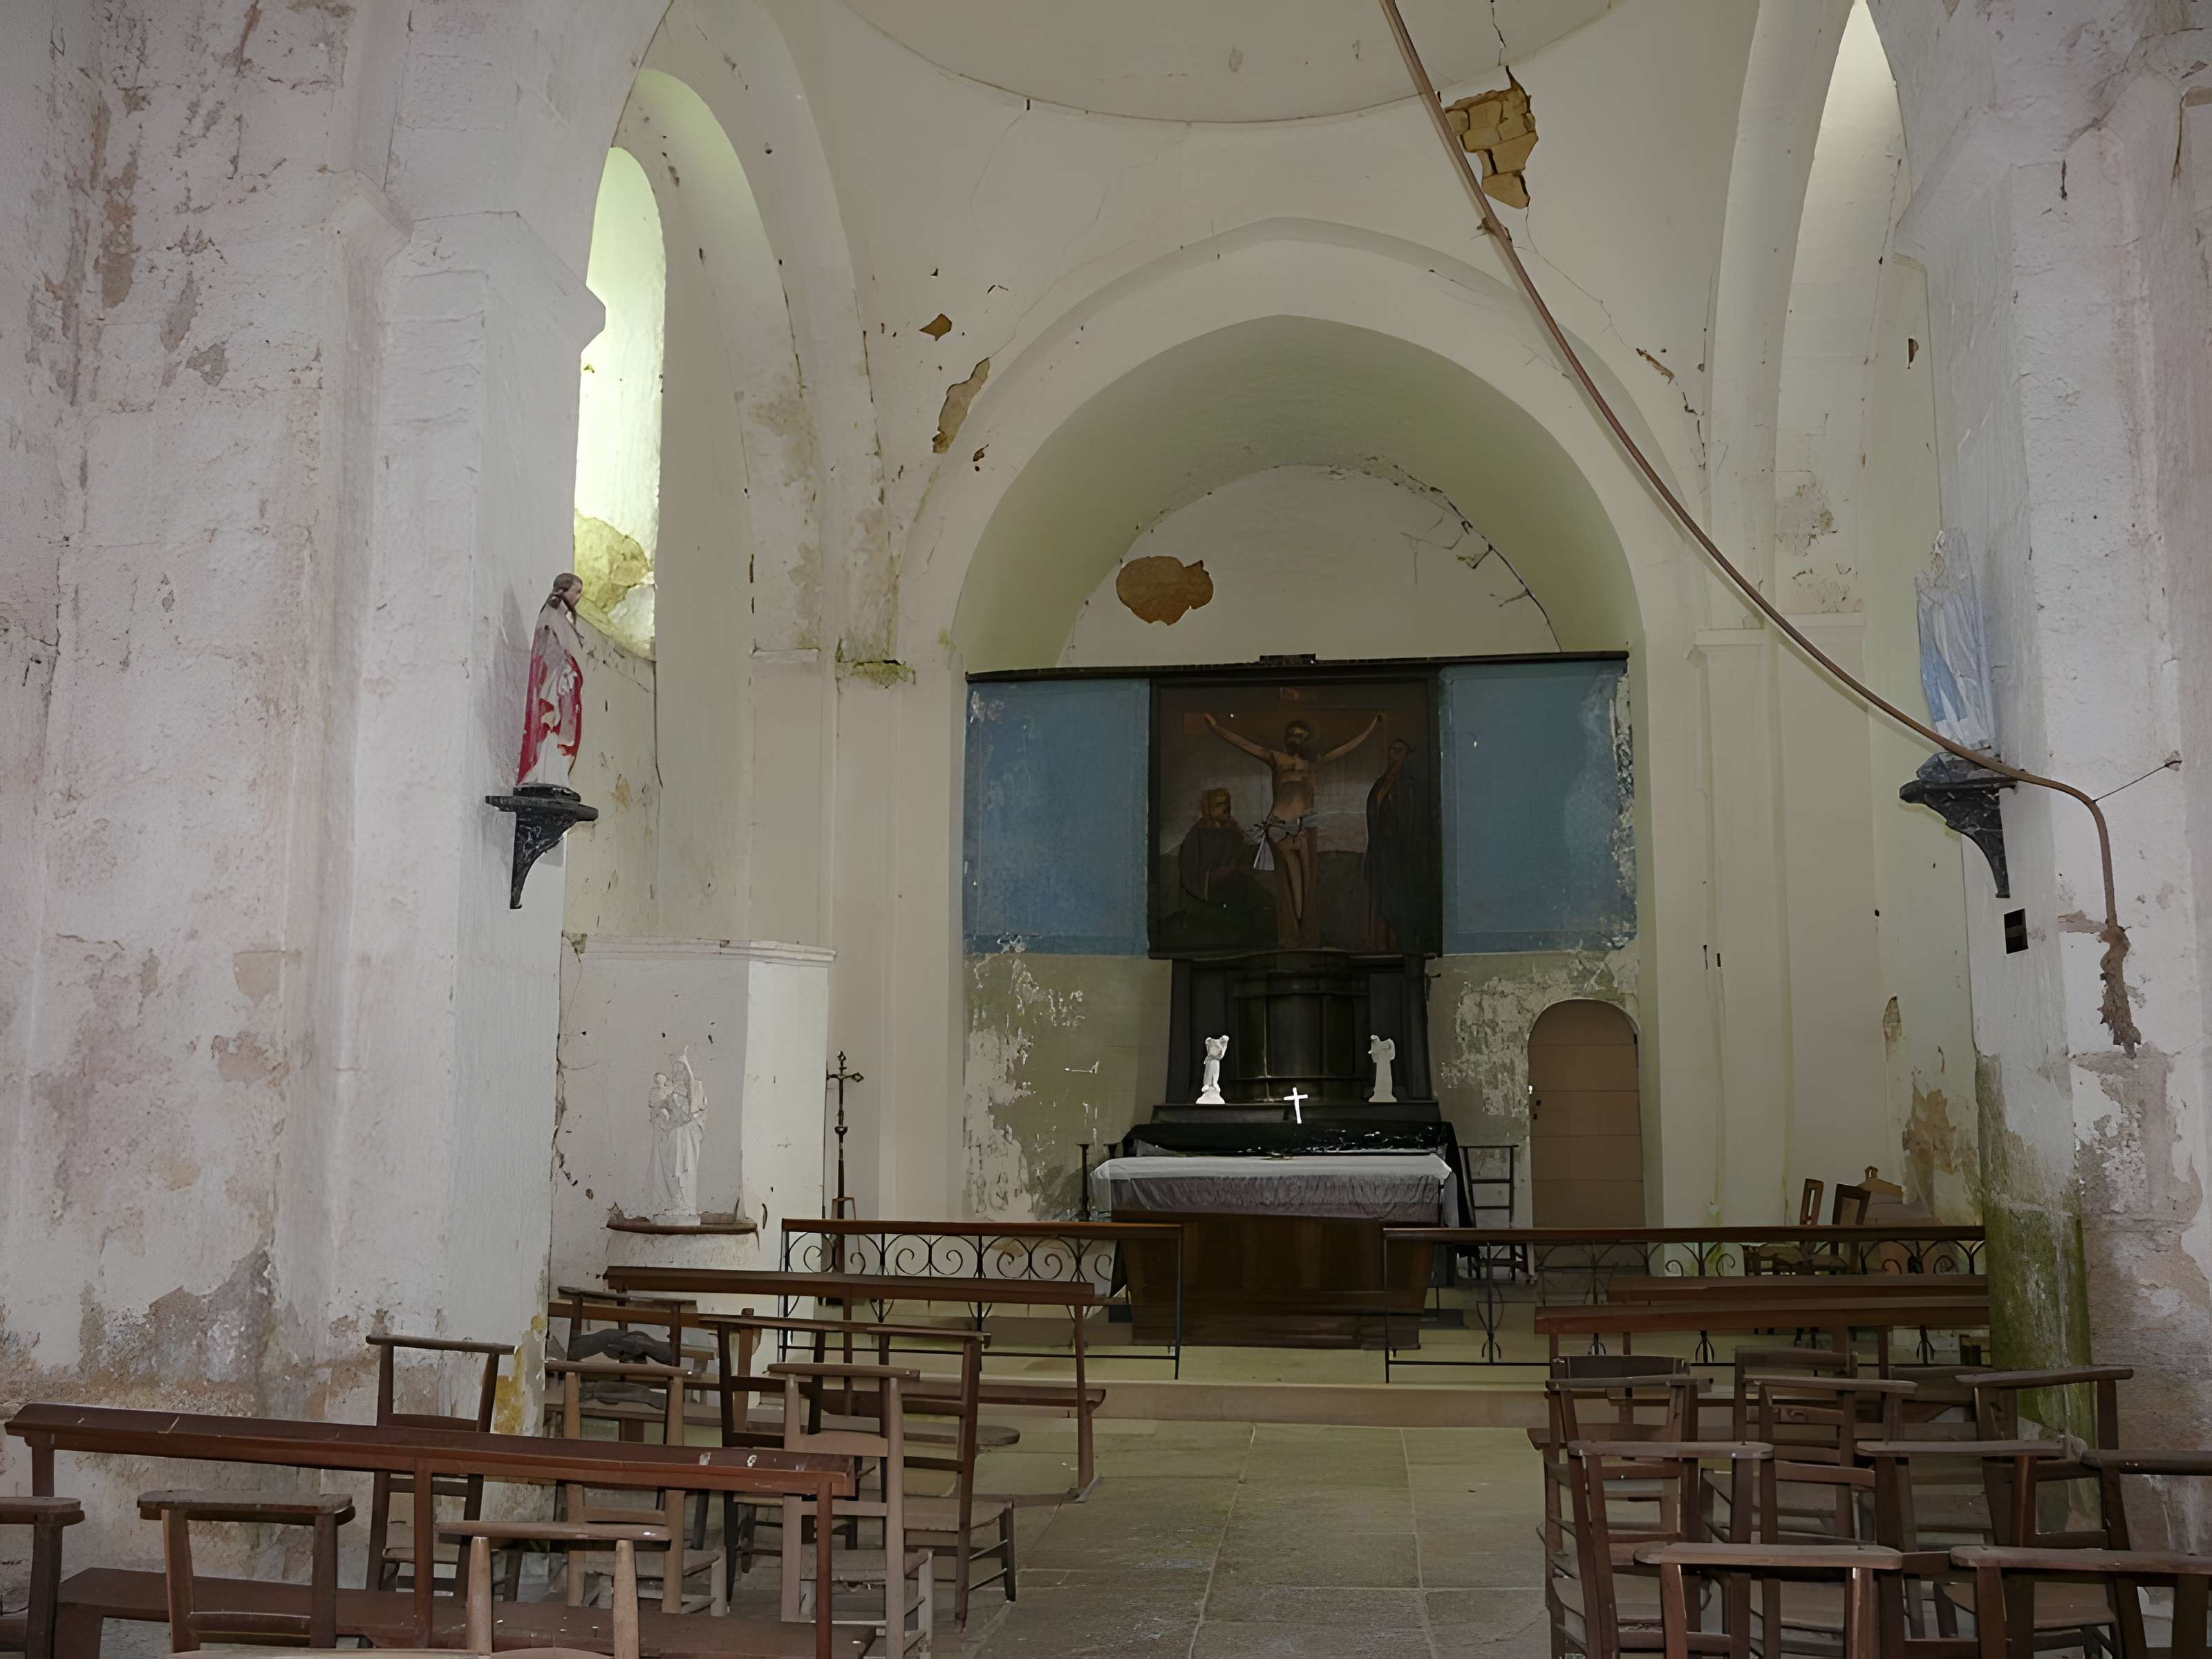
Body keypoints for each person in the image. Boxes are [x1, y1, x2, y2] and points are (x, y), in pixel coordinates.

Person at [1205, 711, 1381, 946]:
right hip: (1279, 823)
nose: (1296, 738)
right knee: (1289, 882)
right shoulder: (1276, 758)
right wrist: (1216, 727)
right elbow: (1245, 744)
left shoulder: (1313, 762)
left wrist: (1369, 728)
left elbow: (1344, 748)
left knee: (1305, 883)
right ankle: (1291, 937)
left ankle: (1304, 936)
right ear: (1287, 738)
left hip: (1305, 824)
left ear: (1308, 738)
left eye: (1301, 734)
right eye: (1292, 734)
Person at [518, 572, 585, 789]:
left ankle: (557, 777)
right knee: (550, 728)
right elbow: (545, 653)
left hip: (566, 686)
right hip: (553, 686)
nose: (578, 598)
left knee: (564, 733)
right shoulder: (548, 617)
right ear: (562, 591)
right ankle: (542, 775)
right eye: (576, 592)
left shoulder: (563, 622)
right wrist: (564, 668)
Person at [1364, 736, 1424, 949]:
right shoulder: (1381, 783)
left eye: (1400, 750)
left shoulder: (1408, 786)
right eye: (1392, 750)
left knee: (1398, 903)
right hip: (1381, 853)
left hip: (1399, 856)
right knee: (1383, 901)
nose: (1395, 755)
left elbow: (1410, 823)